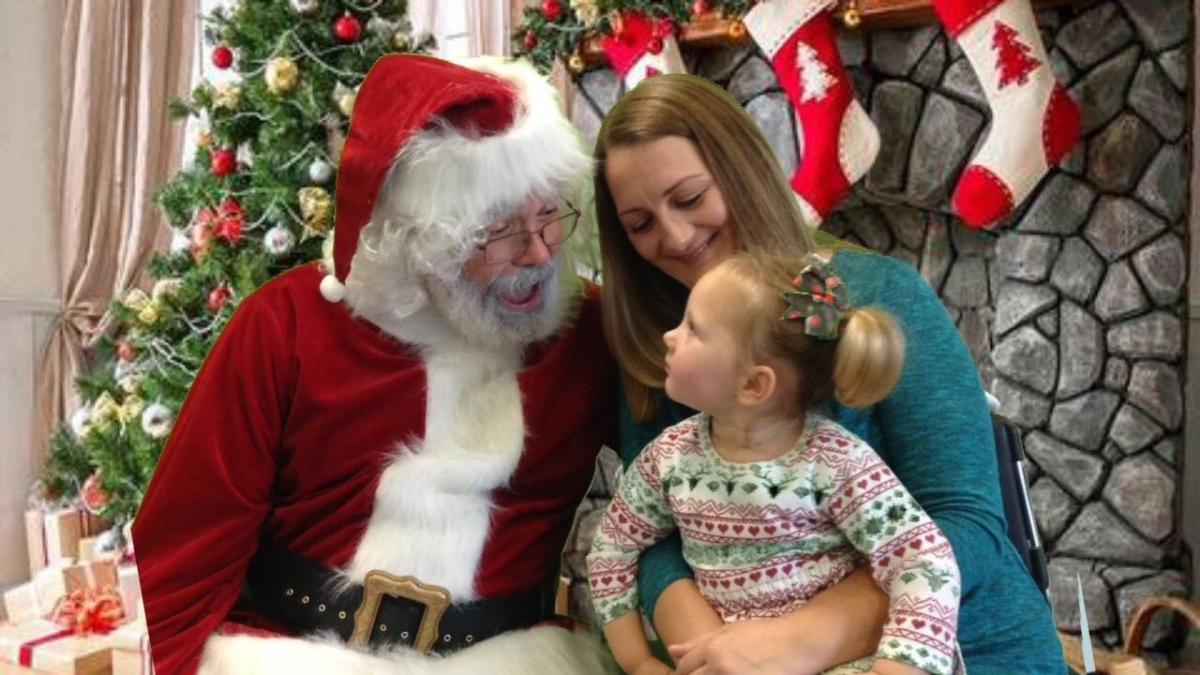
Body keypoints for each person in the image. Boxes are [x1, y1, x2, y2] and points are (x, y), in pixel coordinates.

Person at [132, 55, 617, 675]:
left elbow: (698, 452)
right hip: (298, 655)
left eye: (550, 214)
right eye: (499, 233)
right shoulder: (288, 325)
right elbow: (185, 545)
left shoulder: (589, 334)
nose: (540, 252)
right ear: (424, 239)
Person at [592, 73, 1065, 674]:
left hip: (965, 644)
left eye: (688, 198)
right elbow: (647, 535)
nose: (677, 237)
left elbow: (967, 522)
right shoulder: (663, 349)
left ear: (740, 171)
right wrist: (713, 651)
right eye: (640, 224)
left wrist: (802, 638)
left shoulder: (882, 297)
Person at [588, 251, 963, 675]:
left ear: (753, 384)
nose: (670, 337)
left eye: (693, 328)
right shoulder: (667, 459)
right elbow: (613, 547)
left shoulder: (838, 463)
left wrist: (899, 667)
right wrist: (637, 662)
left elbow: (924, 560)